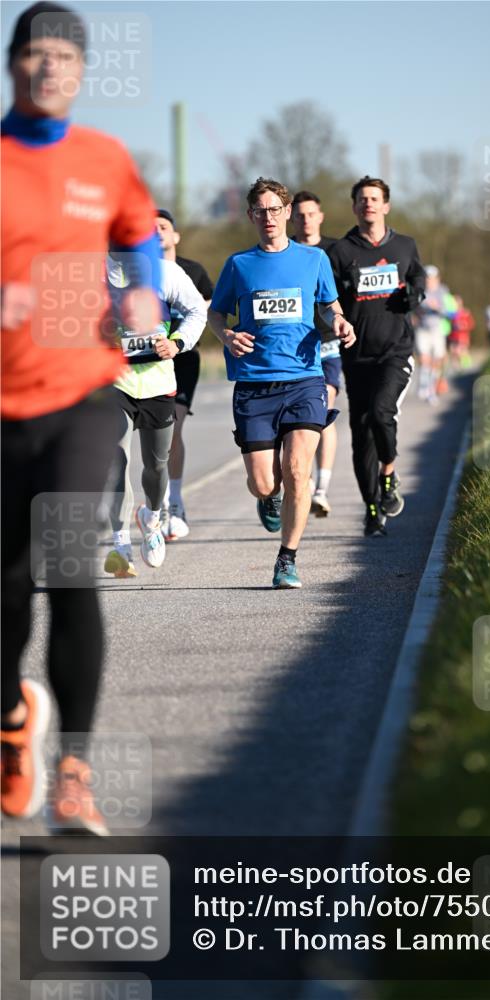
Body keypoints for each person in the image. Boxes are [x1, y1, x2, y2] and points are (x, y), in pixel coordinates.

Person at [1, 2, 161, 834]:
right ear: (12, 65)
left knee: (68, 571)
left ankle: (74, 772)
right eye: (36, 54)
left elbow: (137, 233)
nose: (50, 67)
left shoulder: (105, 158)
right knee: (5, 596)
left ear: (82, 70)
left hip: (82, 394)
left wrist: (138, 283)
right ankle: (10, 719)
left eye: (65, 55)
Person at [207, 177, 355, 588]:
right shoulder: (239, 265)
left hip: (304, 378)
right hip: (254, 383)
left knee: (296, 469)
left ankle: (287, 559)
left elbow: (329, 305)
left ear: (287, 212)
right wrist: (228, 336)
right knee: (263, 482)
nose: (269, 217)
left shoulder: (313, 260)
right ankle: (269, 498)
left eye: (276, 209)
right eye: (261, 210)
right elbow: (216, 314)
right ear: (251, 215)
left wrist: (340, 321)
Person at [328, 176, 425, 536]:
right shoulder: (339, 252)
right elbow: (328, 299)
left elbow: (419, 278)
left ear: (386, 205)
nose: (368, 204)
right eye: (362, 199)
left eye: (374, 198)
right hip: (356, 355)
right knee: (361, 431)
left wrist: (414, 294)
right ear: (354, 207)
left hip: (395, 349)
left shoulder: (405, 245)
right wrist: (337, 314)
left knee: (382, 413)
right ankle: (372, 508)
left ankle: (389, 473)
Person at [104, 254, 207, 577]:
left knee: (156, 466)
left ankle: (152, 516)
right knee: (114, 461)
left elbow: (196, 310)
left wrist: (177, 344)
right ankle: (120, 545)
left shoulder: (163, 271)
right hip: (113, 383)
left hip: (158, 383)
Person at [154, 209, 214, 540]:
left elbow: (205, 310)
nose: (157, 232)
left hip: (184, 359)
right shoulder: (139, 272)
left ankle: (173, 501)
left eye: (163, 227)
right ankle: (158, 502)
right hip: (147, 362)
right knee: (155, 435)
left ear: (175, 235)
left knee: (173, 429)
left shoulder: (192, 271)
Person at [291, 190, 339, 516]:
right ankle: (301, 481)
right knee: (298, 419)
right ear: (292, 218)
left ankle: (320, 488)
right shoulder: (286, 252)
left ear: (320, 216)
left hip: (329, 344)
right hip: (295, 347)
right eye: (300, 214)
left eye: (312, 213)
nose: (306, 220)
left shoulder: (336, 251)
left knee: (323, 411)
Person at [413, 266, 456, 402]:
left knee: (437, 361)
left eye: (432, 278)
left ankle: (432, 388)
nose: (429, 281)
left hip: (437, 329)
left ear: (437, 279)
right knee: (424, 358)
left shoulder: (443, 291)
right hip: (422, 328)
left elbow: (452, 311)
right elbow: (414, 306)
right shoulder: (420, 289)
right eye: (427, 278)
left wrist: (438, 307)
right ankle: (424, 385)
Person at [448, 294, 475, 369]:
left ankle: (467, 367)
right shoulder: (451, 313)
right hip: (453, 335)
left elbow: (471, 324)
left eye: (457, 301)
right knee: (453, 351)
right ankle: (456, 367)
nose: (456, 303)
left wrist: (464, 325)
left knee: (461, 351)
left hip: (463, 336)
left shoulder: (466, 312)